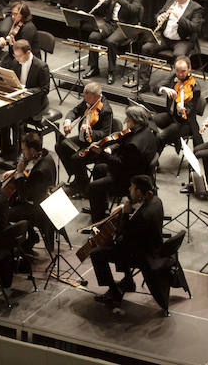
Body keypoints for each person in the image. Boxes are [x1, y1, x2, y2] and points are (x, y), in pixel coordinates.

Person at [86, 175, 163, 307]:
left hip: (142, 255)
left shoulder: (144, 216)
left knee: (96, 252)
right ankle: (128, 280)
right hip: (153, 246)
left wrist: (125, 215)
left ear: (139, 192)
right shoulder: (156, 201)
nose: (129, 189)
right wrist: (125, 207)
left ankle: (114, 292)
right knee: (113, 245)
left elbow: (123, 237)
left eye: (132, 187)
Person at [86, 105, 157, 220]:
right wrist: (111, 148)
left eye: (128, 120)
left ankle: (98, 221)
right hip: (137, 169)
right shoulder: (146, 130)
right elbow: (122, 141)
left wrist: (102, 153)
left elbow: (119, 164)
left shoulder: (134, 145)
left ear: (135, 121)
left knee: (93, 187)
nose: (126, 122)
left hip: (129, 180)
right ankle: (100, 207)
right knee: (98, 168)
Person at [138, 0, 204, 91]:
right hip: (165, 38)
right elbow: (158, 14)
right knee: (146, 48)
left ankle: (164, 85)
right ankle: (143, 84)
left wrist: (179, 17)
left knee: (179, 57)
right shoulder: (171, 0)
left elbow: (195, 28)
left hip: (183, 40)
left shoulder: (196, 8)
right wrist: (160, 17)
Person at [85, 0, 143, 83]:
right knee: (93, 37)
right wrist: (105, 0)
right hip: (111, 23)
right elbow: (109, 6)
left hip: (125, 25)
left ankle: (111, 71)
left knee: (110, 42)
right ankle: (94, 67)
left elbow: (134, 9)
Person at [56, 82, 113, 197]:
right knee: (60, 145)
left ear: (97, 97)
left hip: (96, 145)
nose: (86, 101)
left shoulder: (106, 110)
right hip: (83, 139)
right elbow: (75, 111)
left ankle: (83, 188)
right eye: (85, 98)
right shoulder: (88, 101)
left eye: (88, 99)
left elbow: (105, 133)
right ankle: (79, 178)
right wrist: (68, 121)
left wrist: (91, 132)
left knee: (76, 158)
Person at [3, 131, 57, 252]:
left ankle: (10, 247)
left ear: (32, 150)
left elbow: (24, 196)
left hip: (39, 210)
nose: (22, 152)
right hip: (45, 199)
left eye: (24, 150)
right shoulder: (46, 155)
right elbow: (31, 173)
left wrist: (20, 174)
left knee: (6, 213)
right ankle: (32, 237)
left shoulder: (40, 171)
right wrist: (15, 172)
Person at [0, 40, 49, 159]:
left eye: (19, 56)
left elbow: (45, 89)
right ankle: (6, 149)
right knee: (1, 116)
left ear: (28, 52)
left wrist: (25, 91)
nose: (17, 58)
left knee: (16, 119)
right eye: (15, 55)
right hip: (20, 99)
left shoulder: (41, 66)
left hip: (36, 102)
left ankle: (20, 153)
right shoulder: (16, 62)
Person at [152, 55, 203, 154]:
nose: (179, 74)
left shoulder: (195, 88)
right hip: (171, 115)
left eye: (183, 71)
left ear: (189, 68)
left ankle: (153, 162)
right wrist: (163, 89)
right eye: (177, 71)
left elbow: (189, 111)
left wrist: (181, 110)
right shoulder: (173, 76)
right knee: (148, 122)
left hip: (184, 123)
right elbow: (155, 87)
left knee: (160, 137)